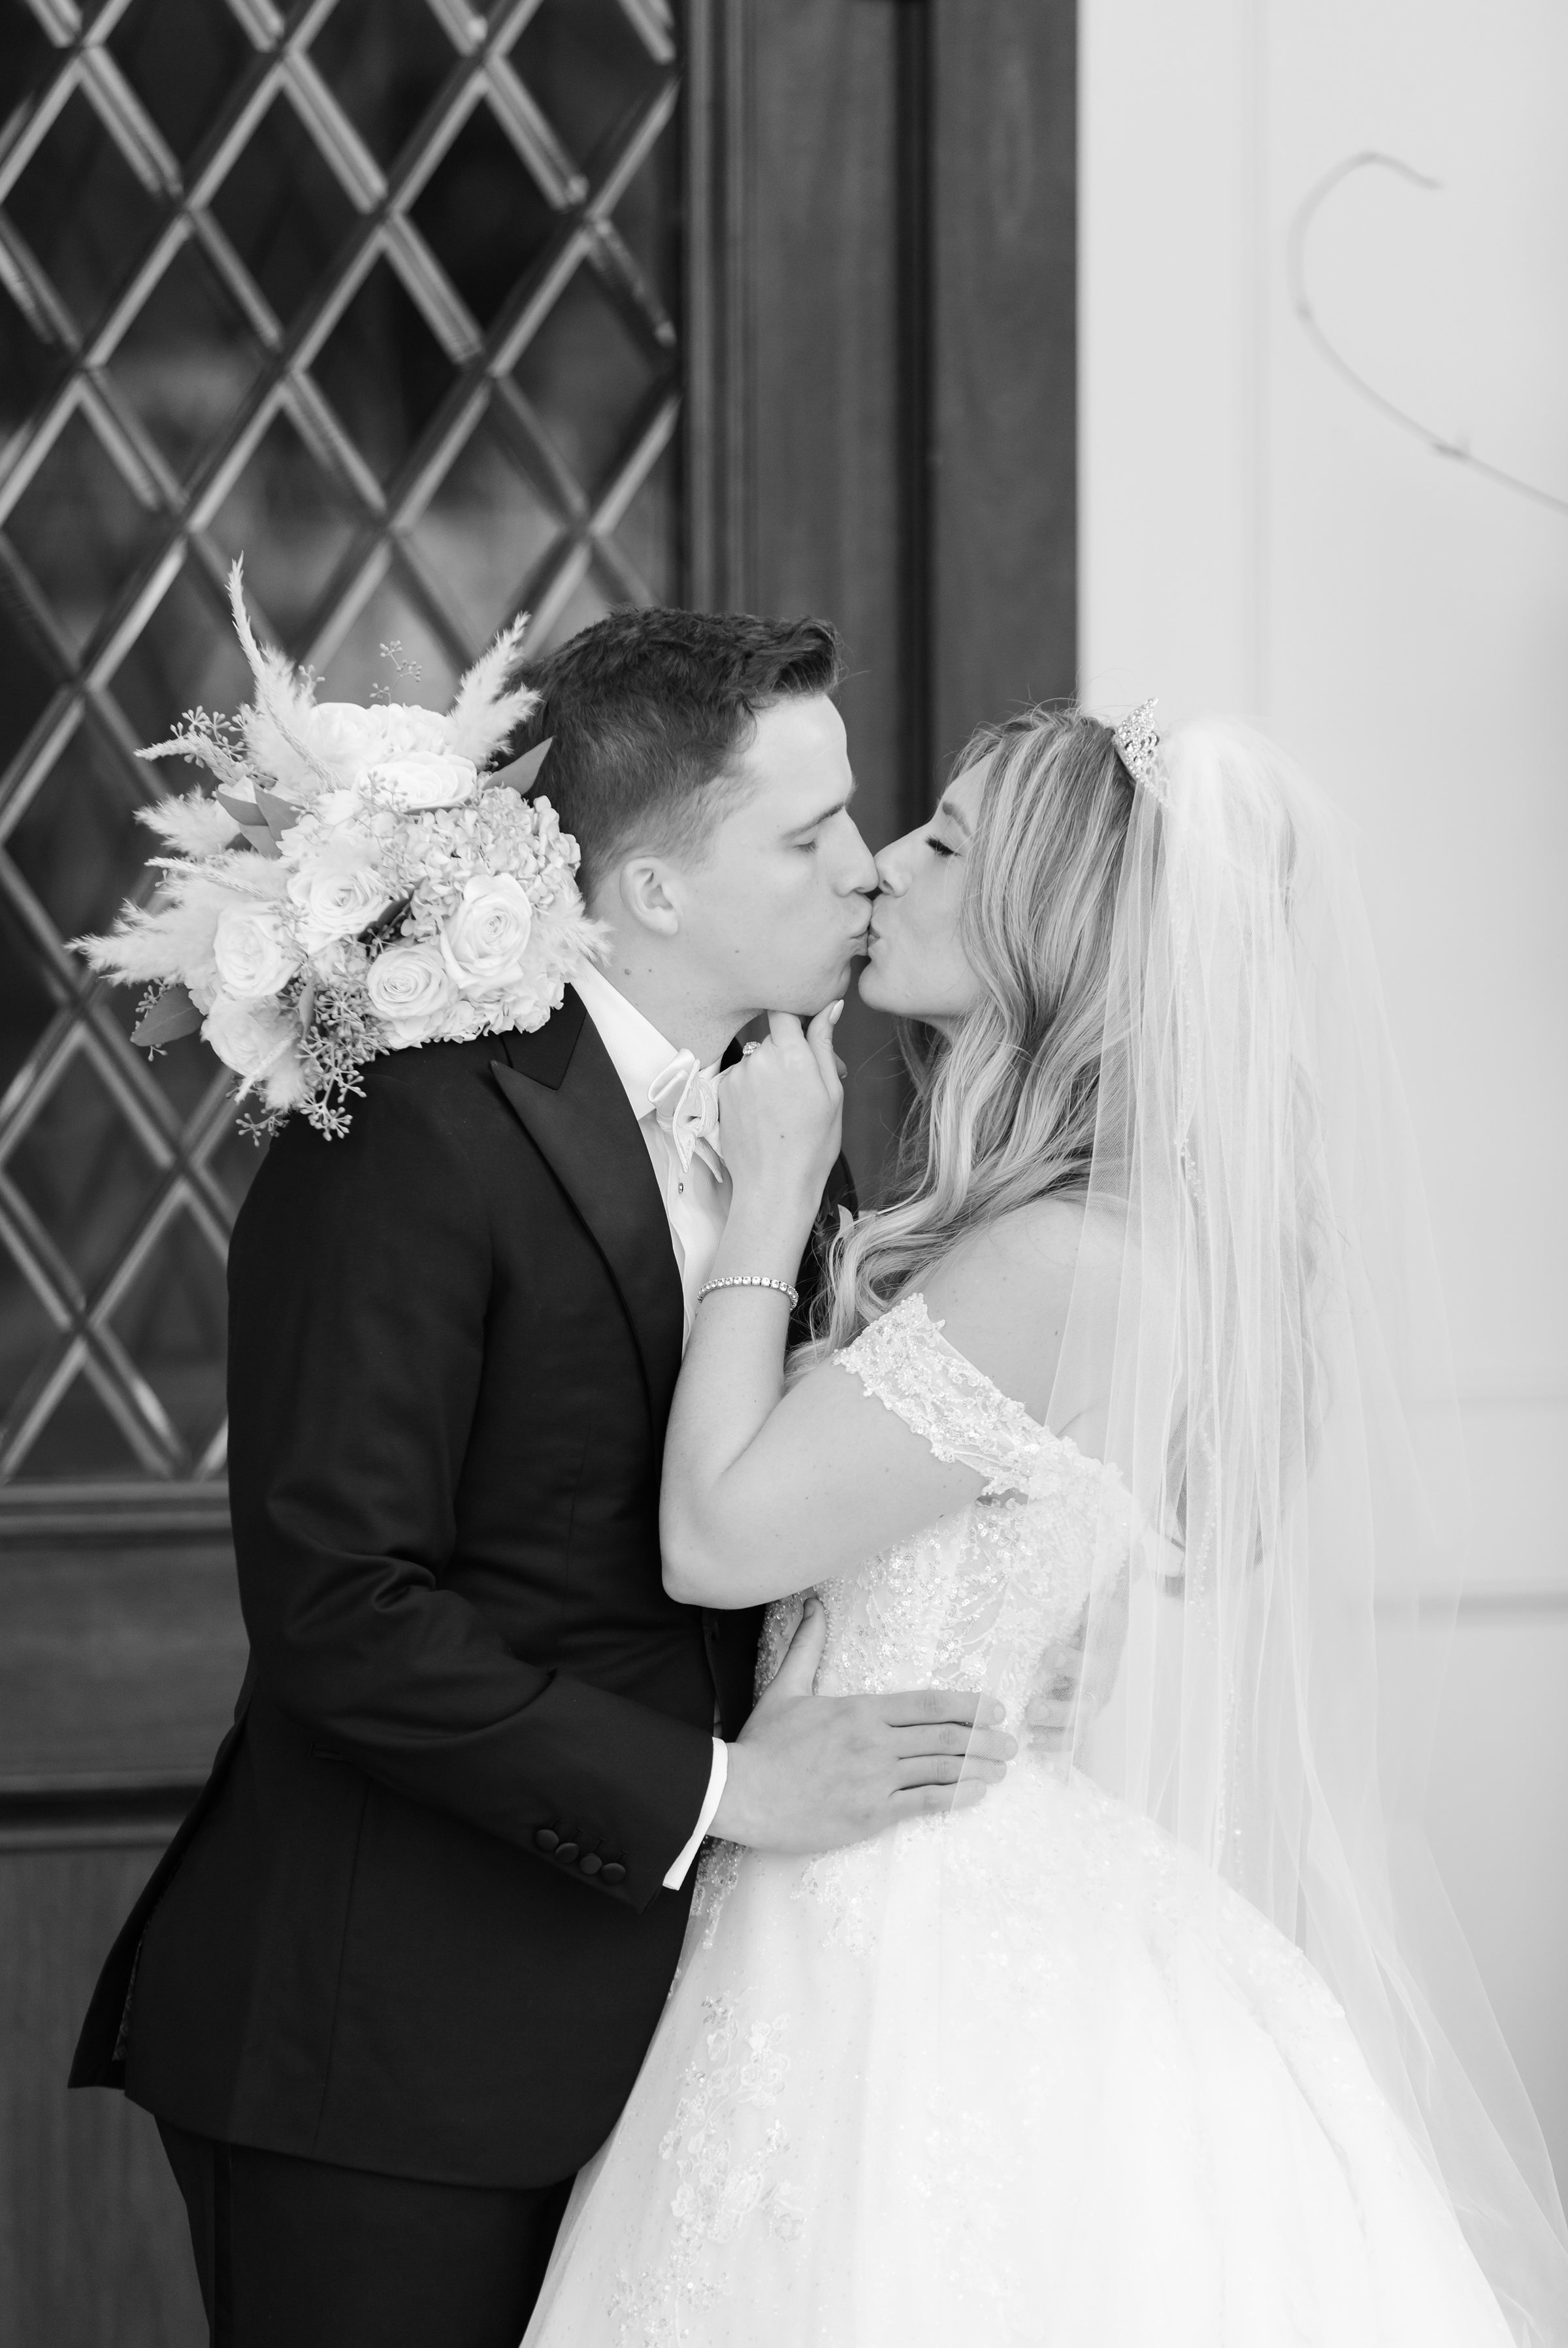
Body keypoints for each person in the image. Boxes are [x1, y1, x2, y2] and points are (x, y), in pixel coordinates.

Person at [522, 705, 1568, 2345]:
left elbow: (720, 1542)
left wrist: (776, 1195)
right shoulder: (1096, 1230)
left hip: (899, 1923)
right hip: (896, 1847)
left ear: (1044, 927)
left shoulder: (1065, 1260)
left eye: (944, 842)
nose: (886, 868)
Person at [67, 609, 1019, 2348]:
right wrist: (724, 1794)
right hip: (391, 2067)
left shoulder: (789, 1115)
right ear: (653, 892)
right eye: (804, 838)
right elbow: (343, 1613)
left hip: (693, 2062)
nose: (865, 874)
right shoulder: (420, 1126)